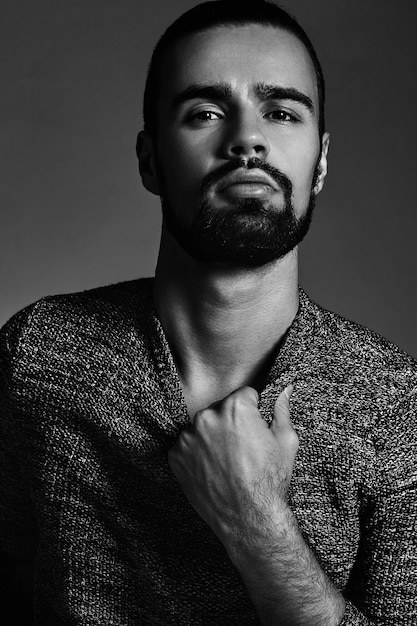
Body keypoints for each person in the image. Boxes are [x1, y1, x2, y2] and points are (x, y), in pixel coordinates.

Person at [1, 0, 416, 624]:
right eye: (206, 113)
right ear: (150, 161)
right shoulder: (37, 356)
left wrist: (256, 524)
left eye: (280, 112)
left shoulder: (395, 404)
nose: (247, 138)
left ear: (321, 160)